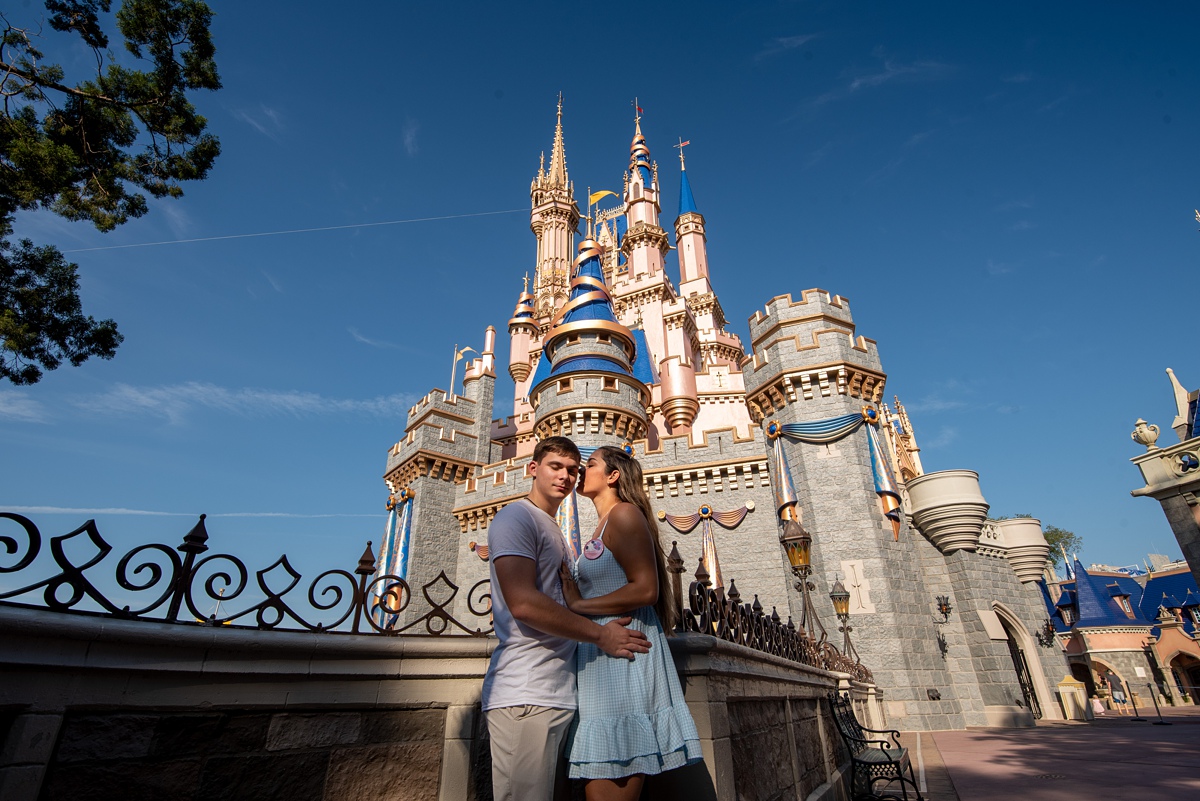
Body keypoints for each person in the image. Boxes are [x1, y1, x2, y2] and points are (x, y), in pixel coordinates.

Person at [482, 436, 652, 801]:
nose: (566, 476)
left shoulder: (552, 528)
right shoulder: (516, 517)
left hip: (558, 694)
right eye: (555, 467)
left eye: (574, 469)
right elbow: (524, 603)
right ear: (533, 469)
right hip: (525, 694)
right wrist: (600, 635)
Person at [560, 445, 703, 800]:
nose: (580, 470)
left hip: (623, 657)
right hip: (605, 655)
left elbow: (647, 589)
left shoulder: (624, 514)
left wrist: (579, 603)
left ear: (613, 475)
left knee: (613, 778)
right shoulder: (602, 524)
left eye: (589, 464)